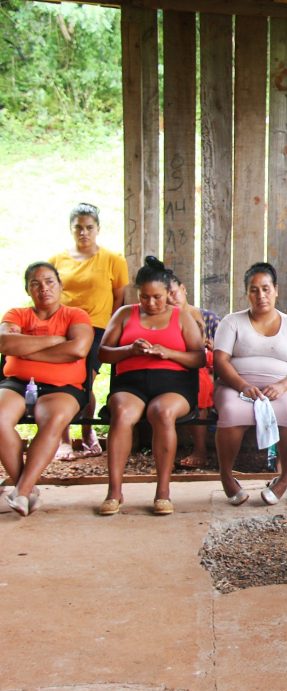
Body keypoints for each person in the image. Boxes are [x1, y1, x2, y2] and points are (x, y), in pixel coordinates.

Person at [97, 257, 204, 516]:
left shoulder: (182, 317)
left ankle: (163, 492)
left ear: (168, 293)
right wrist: (128, 350)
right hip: (130, 383)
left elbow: (199, 358)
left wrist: (169, 353)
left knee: (162, 413)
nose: (151, 303)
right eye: (145, 297)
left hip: (174, 385)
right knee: (122, 413)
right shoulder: (125, 314)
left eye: (157, 297)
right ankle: (114, 491)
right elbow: (103, 353)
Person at [213, 262, 287, 506]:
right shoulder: (231, 322)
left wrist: (283, 386)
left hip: (280, 389)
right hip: (236, 387)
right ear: (247, 293)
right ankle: (226, 476)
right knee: (232, 411)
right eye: (254, 290)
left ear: (276, 290)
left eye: (266, 289)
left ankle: (284, 478)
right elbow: (220, 361)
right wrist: (242, 386)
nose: (261, 296)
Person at [0, 262, 93, 516]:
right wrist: (54, 341)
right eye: (36, 283)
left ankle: (21, 491)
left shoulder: (75, 315)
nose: (44, 288)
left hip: (63, 388)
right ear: (27, 289)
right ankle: (26, 491)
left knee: (52, 420)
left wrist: (26, 350)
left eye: (50, 282)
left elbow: (78, 349)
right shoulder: (17, 314)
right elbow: (5, 343)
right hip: (17, 383)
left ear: (60, 286)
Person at [50, 202, 129, 460]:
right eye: (78, 228)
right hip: (63, 327)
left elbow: (119, 298)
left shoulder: (113, 260)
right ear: (70, 229)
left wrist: (109, 332)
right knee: (61, 379)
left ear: (98, 229)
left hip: (96, 328)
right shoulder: (57, 260)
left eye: (89, 227)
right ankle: (63, 438)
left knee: (86, 380)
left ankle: (87, 431)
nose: (83, 232)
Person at [165, 270, 219, 469]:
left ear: (183, 289)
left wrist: (214, 349)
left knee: (200, 386)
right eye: (165, 296)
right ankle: (165, 455)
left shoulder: (209, 319)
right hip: (173, 373)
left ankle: (200, 449)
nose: (170, 300)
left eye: (173, 293)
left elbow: (225, 357)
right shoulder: (163, 321)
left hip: (207, 375)